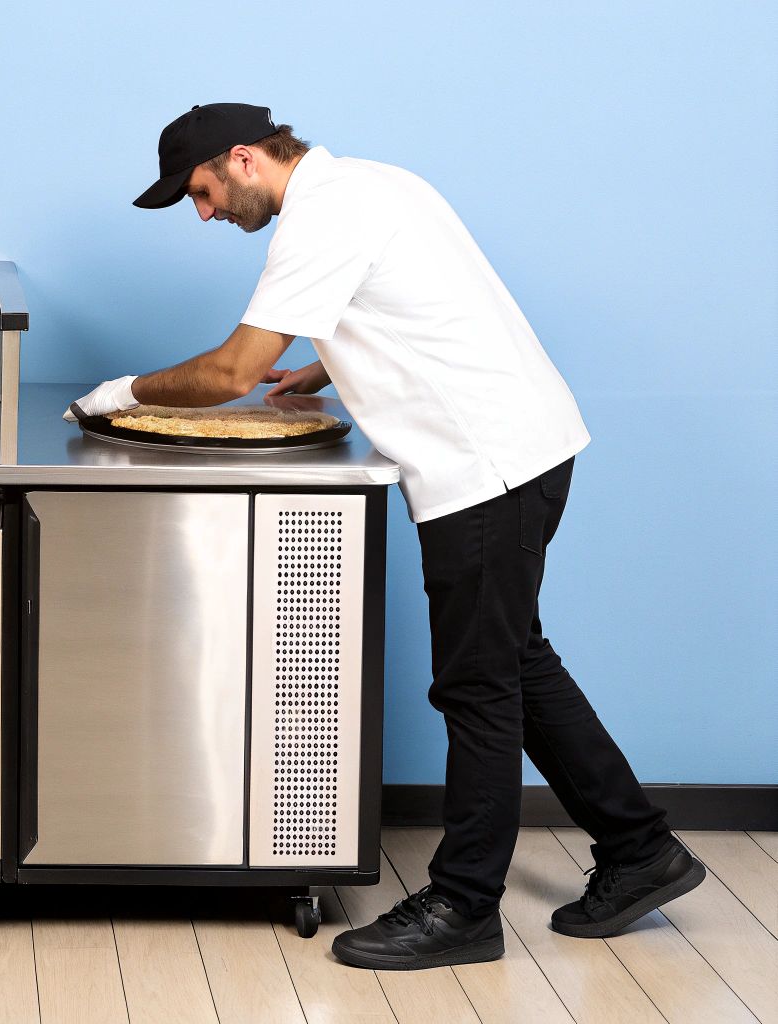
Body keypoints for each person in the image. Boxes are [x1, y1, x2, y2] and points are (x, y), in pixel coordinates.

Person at [73, 103, 706, 970]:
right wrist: (328, 365)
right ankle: (641, 851)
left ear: (246, 159)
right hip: (531, 446)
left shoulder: (321, 218)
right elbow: (417, 299)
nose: (206, 214)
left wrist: (118, 395)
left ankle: (464, 908)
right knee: (517, 660)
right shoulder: (373, 183)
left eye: (204, 191)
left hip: (481, 468)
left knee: (477, 687)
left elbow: (230, 373)